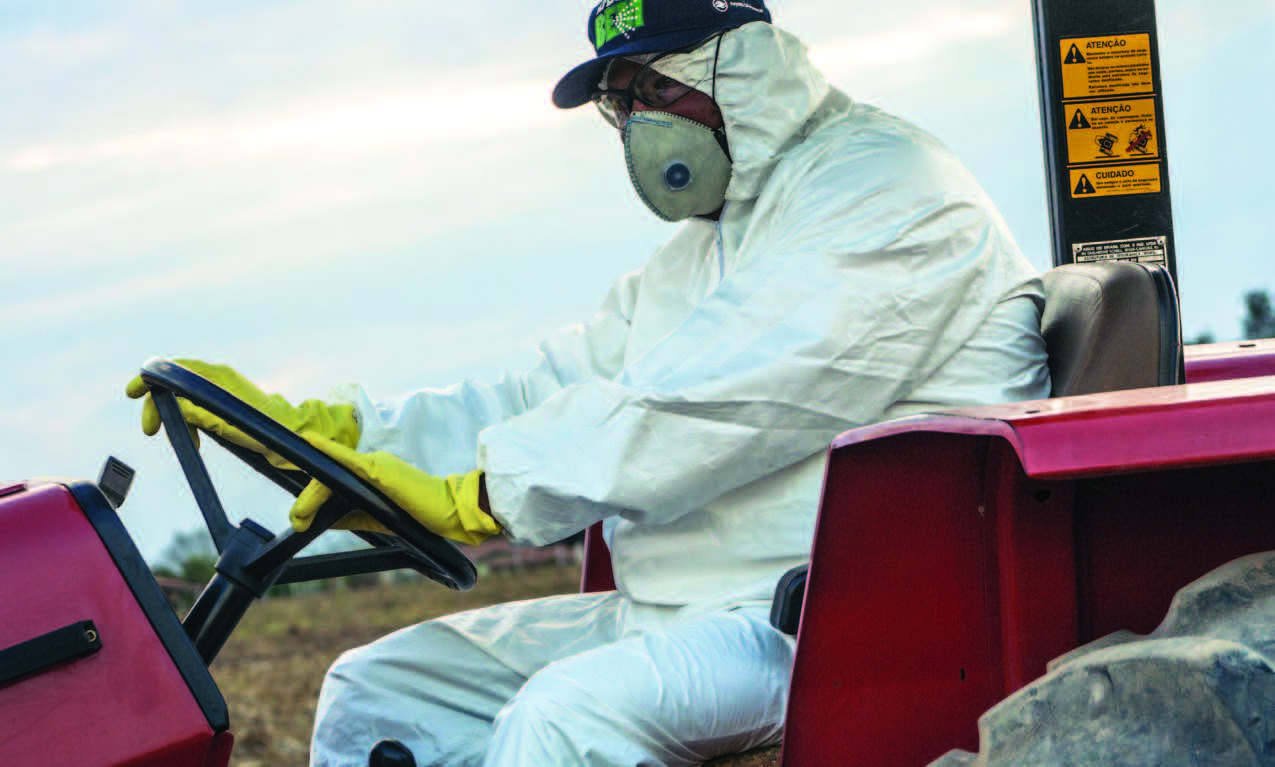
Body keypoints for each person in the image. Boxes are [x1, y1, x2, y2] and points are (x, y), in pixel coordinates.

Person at [128, 1, 1051, 765]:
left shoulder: (883, 189)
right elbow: (555, 387)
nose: (638, 123)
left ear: (744, 67)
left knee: (566, 717)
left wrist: (483, 492)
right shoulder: (711, 246)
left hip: (832, 620)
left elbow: (713, 402)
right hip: (685, 605)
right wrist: (348, 434)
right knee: (382, 690)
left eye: (656, 86)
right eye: (621, 100)